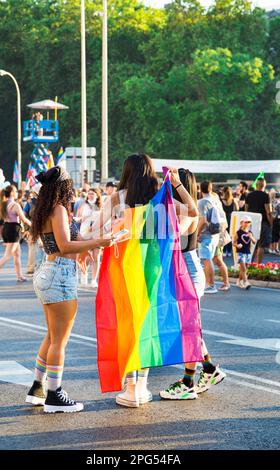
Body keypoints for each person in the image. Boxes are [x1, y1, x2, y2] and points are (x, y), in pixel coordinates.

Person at [91, 154, 199, 408]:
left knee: (126, 324)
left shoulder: (118, 198)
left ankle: (130, 389)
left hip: (124, 271)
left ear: (126, 172)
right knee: (147, 325)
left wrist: (116, 230)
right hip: (154, 268)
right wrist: (176, 183)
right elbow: (193, 211)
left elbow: (95, 230)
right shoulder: (162, 196)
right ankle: (141, 388)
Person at [25, 166, 114, 414]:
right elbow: (64, 246)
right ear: (63, 188)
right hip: (60, 274)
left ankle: (38, 388)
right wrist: (99, 242)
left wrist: (86, 246)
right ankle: (55, 395)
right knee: (59, 341)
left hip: (48, 271)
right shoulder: (59, 209)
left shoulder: (44, 209)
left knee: (52, 336)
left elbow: (63, 243)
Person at [159, 169, 226, 400]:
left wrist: (174, 185)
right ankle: (209, 369)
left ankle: (188, 382)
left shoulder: (186, 211)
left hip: (187, 271)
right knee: (188, 326)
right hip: (187, 269)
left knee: (187, 328)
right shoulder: (178, 209)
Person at [0, 185, 32, 283]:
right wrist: (34, 225)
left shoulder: (3, 203)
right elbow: (23, 219)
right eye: (15, 191)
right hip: (13, 229)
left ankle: (19, 276)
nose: (17, 193)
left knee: (17, 254)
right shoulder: (15, 205)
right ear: (11, 193)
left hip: (7, 228)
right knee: (7, 255)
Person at [197, 181, 227, 294]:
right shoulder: (216, 201)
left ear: (200, 188)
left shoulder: (202, 203)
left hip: (206, 235)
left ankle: (210, 285)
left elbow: (203, 220)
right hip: (215, 234)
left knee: (207, 259)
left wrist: (196, 234)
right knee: (213, 259)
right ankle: (211, 284)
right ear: (211, 188)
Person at [78, 188, 103, 287]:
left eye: (92, 194)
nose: (90, 196)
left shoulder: (101, 207)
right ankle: (84, 274)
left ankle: (93, 280)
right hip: (86, 233)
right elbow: (79, 217)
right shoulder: (84, 206)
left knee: (96, 257)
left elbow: (104, 219)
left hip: (97, 234)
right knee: (87, 257)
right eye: (89, 194)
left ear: (97, 195)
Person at [245, 178, 273, 264]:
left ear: (256, 185)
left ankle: (249, 264)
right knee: (261, 245)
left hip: (251, 222)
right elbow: (268, 211)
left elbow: (246, 210)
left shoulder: (249, 195)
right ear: (264, 185)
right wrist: (271, 223)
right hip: (263, 222)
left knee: (252, 245)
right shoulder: (265, 195)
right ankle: (258, 265)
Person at [234, 215, 256, 289]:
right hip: (240, 252)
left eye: (249, 222)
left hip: (247, 252)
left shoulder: (250, 233)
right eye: (245, 222)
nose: (247, 224)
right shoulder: (238, 232)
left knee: (244, 269)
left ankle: (239, 281)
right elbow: (233, 242)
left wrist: (251, 237)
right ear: (241, 223)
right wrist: (237, 245)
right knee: (243, 268)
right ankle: (246, 282)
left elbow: (254, 242)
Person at [221, 186, 239, 257]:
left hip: (224, 219)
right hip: (232, 219)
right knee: (231, 235)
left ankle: (225, 250)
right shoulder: (233, 200)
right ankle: (229, 250)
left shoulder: (221, 200)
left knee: (224, 235)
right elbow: (237, 209)